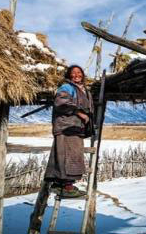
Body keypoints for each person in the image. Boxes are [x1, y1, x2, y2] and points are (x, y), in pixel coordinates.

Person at [44, 65, 93, 198]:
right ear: (69, 75)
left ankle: (61, 185)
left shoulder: (83, 90)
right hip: (67, 127)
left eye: (79, 72)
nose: (76, 75)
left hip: (74, 129)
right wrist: (79, 113)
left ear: (82, 75)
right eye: (73, 73)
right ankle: (66, 186)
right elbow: (61, 102)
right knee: (68, 156)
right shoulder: (67, 87)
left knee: (72, 155)